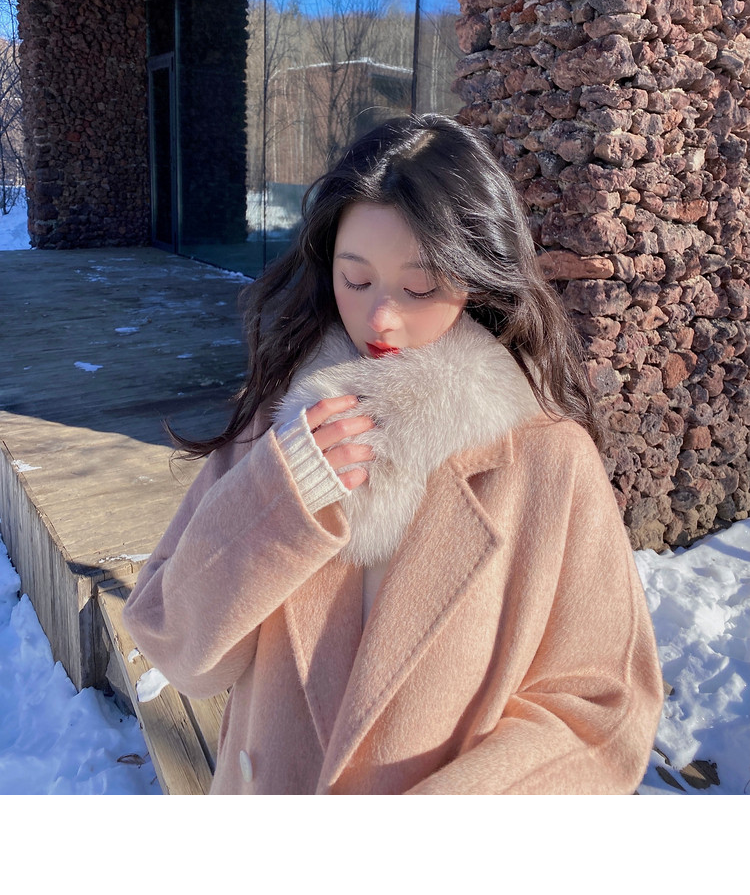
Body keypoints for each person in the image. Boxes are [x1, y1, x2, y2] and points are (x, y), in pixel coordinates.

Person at [123, 113, 663, 795]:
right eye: (356, 280)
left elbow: (600, 710)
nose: (380, 318)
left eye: (419, 287)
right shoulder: (284, 423)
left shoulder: (546, 460)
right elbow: (176, 651)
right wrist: (274, 503)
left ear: (477, 277)